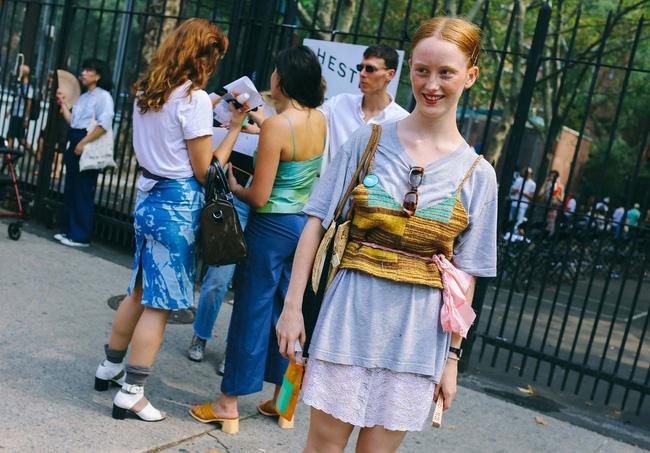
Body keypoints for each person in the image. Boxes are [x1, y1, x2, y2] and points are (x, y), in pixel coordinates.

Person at [276, 16, 497, 452]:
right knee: (321, 447)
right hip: (348, 319)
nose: (431, 84)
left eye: (446, 72)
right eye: (422, 70)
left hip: (417, 338)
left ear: (470, 76)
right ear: (408, 69)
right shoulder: (369, 140)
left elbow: (465, 276)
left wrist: (452, 358)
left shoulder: (479, 175)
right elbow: (316, 221)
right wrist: (292, 307)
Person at [93, 18, 232, 422]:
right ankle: (132, 392)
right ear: (203, 57)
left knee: (138, 289)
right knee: (160, 304)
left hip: (147, 197)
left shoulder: (147, 90)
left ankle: (110, 366)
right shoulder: (194, 99)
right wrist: (236, 128)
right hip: (177, 205)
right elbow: (205, 171)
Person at [189, 45, 327, 434]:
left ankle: (227, 404)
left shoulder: (278, 126)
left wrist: (235, 187)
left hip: (270, 227)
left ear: (282, 79)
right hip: (301, 227)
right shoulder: (318, 119)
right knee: (289, 312)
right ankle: (285, 404)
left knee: (250, 311)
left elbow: (260, 195)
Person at [319, 44, 408, 173]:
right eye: (360, 68)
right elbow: (309, 120)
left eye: (370, 69)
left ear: (390, 74)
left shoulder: (402, 120)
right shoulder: (338, 103)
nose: (362, 73)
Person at [54, 59, 114, 247]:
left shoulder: (104, 96)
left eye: (89, 70)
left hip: (87, 141)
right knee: (71, 187)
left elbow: (104, 124)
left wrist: (83, 142)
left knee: (83, 190)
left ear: (98, 75)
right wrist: (63, 104)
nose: (83, 73)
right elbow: (73, 121)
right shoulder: (84, 96)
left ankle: (80, 235)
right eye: (84, 69)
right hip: (76, 139)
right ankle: (69, 230)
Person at [6, 64, 33, 152]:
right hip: (15, 114)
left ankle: (36, 155)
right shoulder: (19, 85)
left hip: (20, 116)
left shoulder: (28, 87)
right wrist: (10, 111)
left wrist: (26, 118)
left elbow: (29, 104)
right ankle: (8, 159)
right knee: (16, 138)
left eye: (20, 70)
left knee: (15, 138)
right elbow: (17, 101)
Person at [540, 170, 563, 235]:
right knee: (542, 222)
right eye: (550, 176)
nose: (551, 177)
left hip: (553, 208)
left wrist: (556, 195)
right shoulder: (547, 184)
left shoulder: (560, 186)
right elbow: (540, 194)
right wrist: (545, 184)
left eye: (553, 176)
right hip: (544, 205)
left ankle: (548, 236)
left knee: (550, 223)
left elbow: (562, 199)